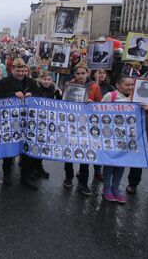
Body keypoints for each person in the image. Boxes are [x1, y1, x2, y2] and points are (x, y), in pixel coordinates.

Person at [0, 58, 39, 190]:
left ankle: (25, 176)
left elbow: (39, 96)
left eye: (23, 71)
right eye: (18, 71)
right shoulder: (4, 82)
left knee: (27, 148)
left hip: (27, 121)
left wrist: (33, 95)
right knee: (9, 147)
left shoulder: (31, 82)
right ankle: (7, 173)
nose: (21, 73)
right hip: (9, 120)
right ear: (12, 70)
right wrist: (13, 94)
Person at [62, 62, 102, 196]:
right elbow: (64, 103)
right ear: (75, 74)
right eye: (78, 73)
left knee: (85, 155)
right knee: (69, 152)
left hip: (87, 125)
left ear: (88, 73)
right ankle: (68, 177)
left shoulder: (94, 87)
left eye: (83, 73)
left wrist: (93, 104)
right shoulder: (70, 85)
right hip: (71, 123)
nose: (80, 76)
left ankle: (83, 183)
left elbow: (101, 106)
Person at [101, 75, 136, 204]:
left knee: (121, 162)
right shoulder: (111, 96)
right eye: (127, 85)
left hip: (127, 137)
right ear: (118, 85)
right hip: (110, 136)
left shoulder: (135, 98)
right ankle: (106, 188)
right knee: (110, 162)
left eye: (132, 85)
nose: (130, 87)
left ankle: (116, 187)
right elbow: (98, 111)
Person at [126, 61, 148, 195]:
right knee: (138, 153)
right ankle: (133, 183)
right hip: (142, 121)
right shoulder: (138, 81)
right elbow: (129, 98)